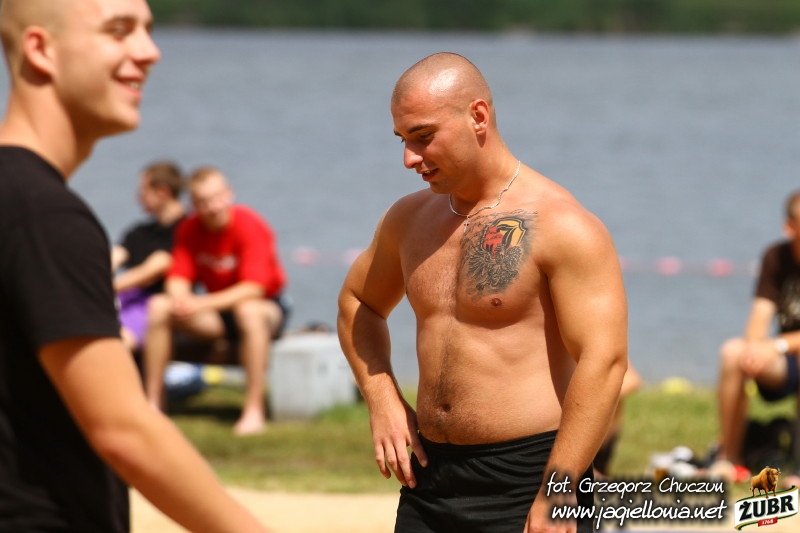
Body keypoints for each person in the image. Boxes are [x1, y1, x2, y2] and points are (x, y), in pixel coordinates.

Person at [0, 1, 272, 531]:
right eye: (119, 31)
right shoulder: (43, 214)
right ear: (41, 49)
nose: (150, 52)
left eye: (148, 30)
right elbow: (124, 431)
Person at [337, 52, 628, 533]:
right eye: (403, 139)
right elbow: (359, 303)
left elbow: (605, 361)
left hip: (529, 477)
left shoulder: (562, 224)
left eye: (423, 136)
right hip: (430, 481)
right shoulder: (408, 220)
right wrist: (381, 396)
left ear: (477, 116)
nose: (409, 158)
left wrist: (558, 491)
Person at [143, 166, 289, 436]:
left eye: (218, 197)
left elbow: (253, 289)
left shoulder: (249, 224)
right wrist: (180, 299)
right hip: (217, 313)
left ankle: (254, 409)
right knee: (158, 306)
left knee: (248, 311)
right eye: (204, 201)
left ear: (229, 193)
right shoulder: (189, 228)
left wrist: (199, 304)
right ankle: (153, 404)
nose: (213, 207)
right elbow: (178, 277)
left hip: (264, 308)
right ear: (193, 203)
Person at [716, 190, 800, 481]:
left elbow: (778, 343)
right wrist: (753, 350)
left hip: (785, 350)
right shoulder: (776, 257)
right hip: (785, 360)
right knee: (733, 352)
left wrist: (776, 345)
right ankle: (729, 458)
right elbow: (760, 316)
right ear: (789, 226)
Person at [112, 160, 186, 352]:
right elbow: (114, 257)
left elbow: (155, 268)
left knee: (116, 342)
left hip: (156, 303)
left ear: (162, 191)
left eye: (143, 191)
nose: (138, 198)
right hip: (126, 298)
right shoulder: (140, 232)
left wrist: (107, 287)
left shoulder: (187, 229)